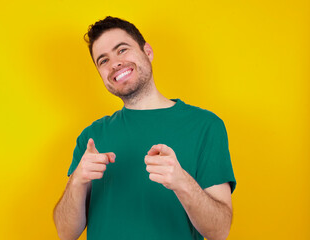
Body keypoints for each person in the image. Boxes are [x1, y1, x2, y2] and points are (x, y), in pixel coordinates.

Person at [53, 16, 236, 240]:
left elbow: (220, 231)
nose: (115, 63)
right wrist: (78, 180)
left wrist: (182, 182)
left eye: (122, 50)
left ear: (147, 52)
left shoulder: (206, 126)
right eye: (103, 60)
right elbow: (65, 233)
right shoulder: (91, 137)